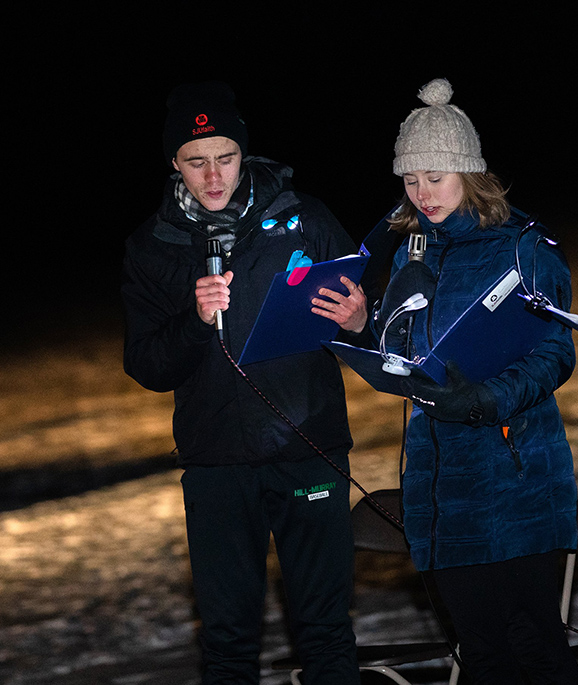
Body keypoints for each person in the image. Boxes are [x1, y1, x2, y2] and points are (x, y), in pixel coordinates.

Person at [122, 81, 367, 684]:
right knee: (229, 643)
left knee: (326, 631)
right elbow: (149, 366)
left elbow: (370, 328)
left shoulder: (304, 218)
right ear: (174, 164)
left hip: (308, 450)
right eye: (196, 162)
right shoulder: (151, 247)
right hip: (217, 464)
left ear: (244, 153)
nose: (213, 177)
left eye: (225, 158)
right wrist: (194, 323)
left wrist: (362, 320)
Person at [375, 78, 578, 684]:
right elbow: (405, 356)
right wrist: (374, 336)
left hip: (514, 475)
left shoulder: (521, 248)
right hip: (441, 490)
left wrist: (486, 398)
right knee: (482, 654)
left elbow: (555, 353)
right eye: (411, 180)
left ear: (470, 173)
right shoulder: (409, 252)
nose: (423, 193)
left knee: (536, 646)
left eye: (435, 177)